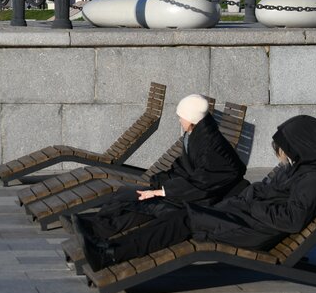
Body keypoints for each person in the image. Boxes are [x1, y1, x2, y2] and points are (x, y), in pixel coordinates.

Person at [75, 115, 316, 273]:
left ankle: (110, 253)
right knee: (178, 213)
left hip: (252, 230)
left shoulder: (313, 176)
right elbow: (267, 193)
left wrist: (251, 205)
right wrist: (248, 199)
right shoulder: (302, 168)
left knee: (184, 218)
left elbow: (292, 219)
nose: (280, 152)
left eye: (285, 146)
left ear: (302, 144)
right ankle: (110, 244)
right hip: (244, 218)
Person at [72, 95, 245, 238]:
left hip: (202, 200)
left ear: (191, 118)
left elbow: (202, 184)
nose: (179, 120)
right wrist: (160, 181)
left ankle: (95, 228)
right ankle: (93, 224)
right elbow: (185, 168)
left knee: (142, 203)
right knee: (127, 194)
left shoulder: (209, 146)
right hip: (189, 190)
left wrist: (162, 191)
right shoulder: (196, 135)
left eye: (181, 116)